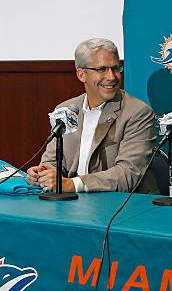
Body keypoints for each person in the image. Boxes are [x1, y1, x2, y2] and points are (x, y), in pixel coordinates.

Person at [26, 38, 158, 193]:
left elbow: (127, 174)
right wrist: (42, 174)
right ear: (81, 75)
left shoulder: (138, 113)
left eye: (115, 68)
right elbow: (52, 162)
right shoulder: (65, 110)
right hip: (73, 205)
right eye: (102, 69)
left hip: (124, 207)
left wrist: (72, 184)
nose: (111, 77)